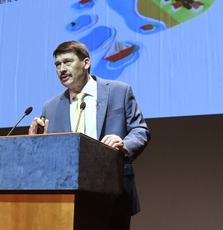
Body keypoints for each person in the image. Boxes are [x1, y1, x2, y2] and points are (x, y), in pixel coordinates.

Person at [29, 40, 150, 229]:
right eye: (57, 65)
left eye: (67, 62)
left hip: (114, 190)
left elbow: (140, 130)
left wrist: (125, 144)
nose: (62, 69)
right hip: (68, 196)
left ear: (86, 63)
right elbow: (50, 155)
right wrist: (36, 143)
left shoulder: (119, 91)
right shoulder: (51, 106)